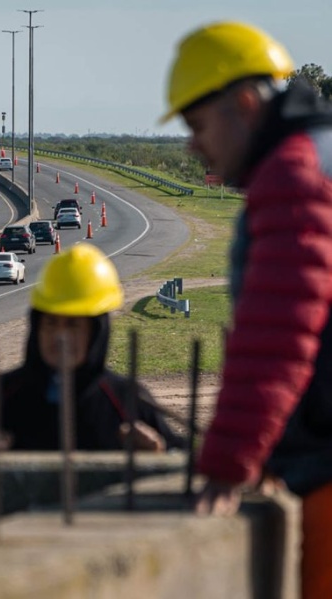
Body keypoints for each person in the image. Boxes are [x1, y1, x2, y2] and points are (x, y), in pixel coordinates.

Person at [160, 21, 332, 598]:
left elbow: (279, 329)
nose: (192, 144)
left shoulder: (296, 173)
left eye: (198, 124)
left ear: (245, 104)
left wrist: (231, 460)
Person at [0, 243, 183, 452]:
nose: (60, 336)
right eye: (51, 323)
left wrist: (158, 454)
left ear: (97, 332)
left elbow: (186, 467)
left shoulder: (125, 400)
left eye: (73, 325)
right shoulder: (0, 396)